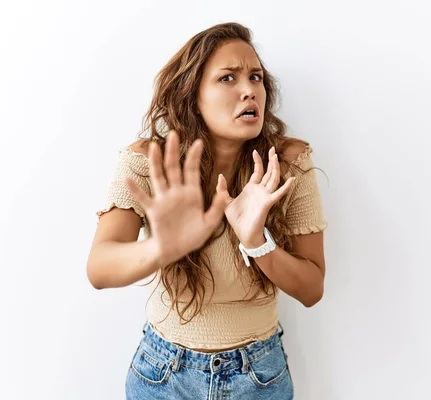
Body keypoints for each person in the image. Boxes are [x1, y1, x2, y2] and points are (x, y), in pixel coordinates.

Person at [87, 22, 327, 399]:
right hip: (163, 376)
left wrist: (256, 242)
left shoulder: (289, 163)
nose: (250, 90)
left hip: (258, 375)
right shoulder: (147, 161)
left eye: (256, 77)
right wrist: (161, 248)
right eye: (228, 78)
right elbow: (99, 269)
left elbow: (312, 289)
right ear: (192, 95)